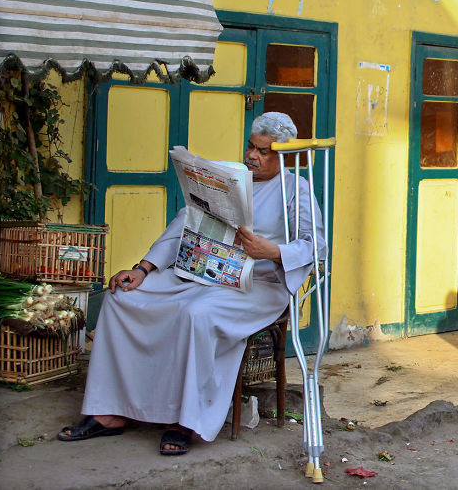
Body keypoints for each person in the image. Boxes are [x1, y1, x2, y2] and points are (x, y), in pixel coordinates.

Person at [57, 112, 328, 455]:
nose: (252, 156)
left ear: (283, 155)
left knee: (196, 313)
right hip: (205, 271)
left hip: (259, 284)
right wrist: (143, 268)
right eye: (251, 146)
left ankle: (184, 420)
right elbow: (185, 223)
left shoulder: (296, 189)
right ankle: (109, 412)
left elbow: (316, 246)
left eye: (263, 151)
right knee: (121, 298)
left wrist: (272, 251)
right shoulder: (231, 178)